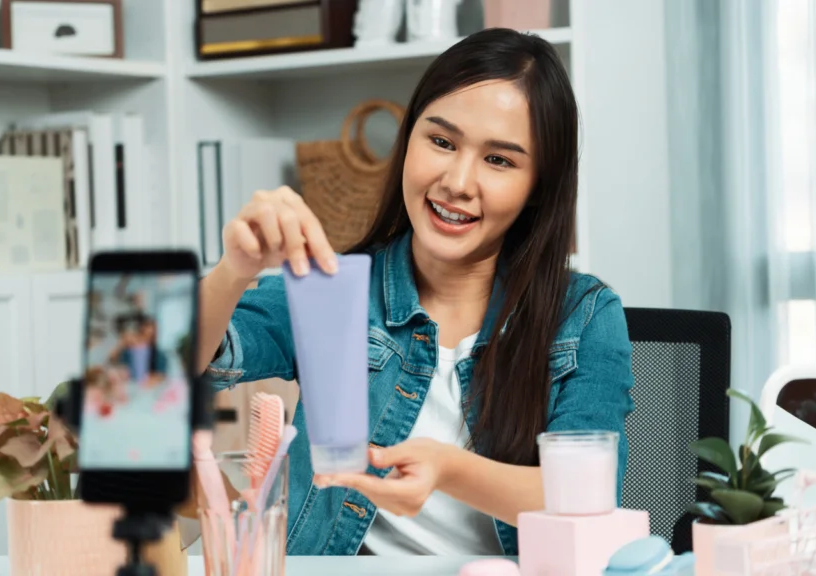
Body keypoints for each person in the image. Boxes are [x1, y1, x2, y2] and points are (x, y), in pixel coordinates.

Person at [197, 28, 635, 556]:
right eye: (442, 141)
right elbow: (162, 370)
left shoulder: (583, 316)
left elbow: (587, 498)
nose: (457, 181)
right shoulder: (336, 292)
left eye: (499, 160)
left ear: (538, 185)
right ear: (408, 142)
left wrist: (449, 469)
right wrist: (233, 270)